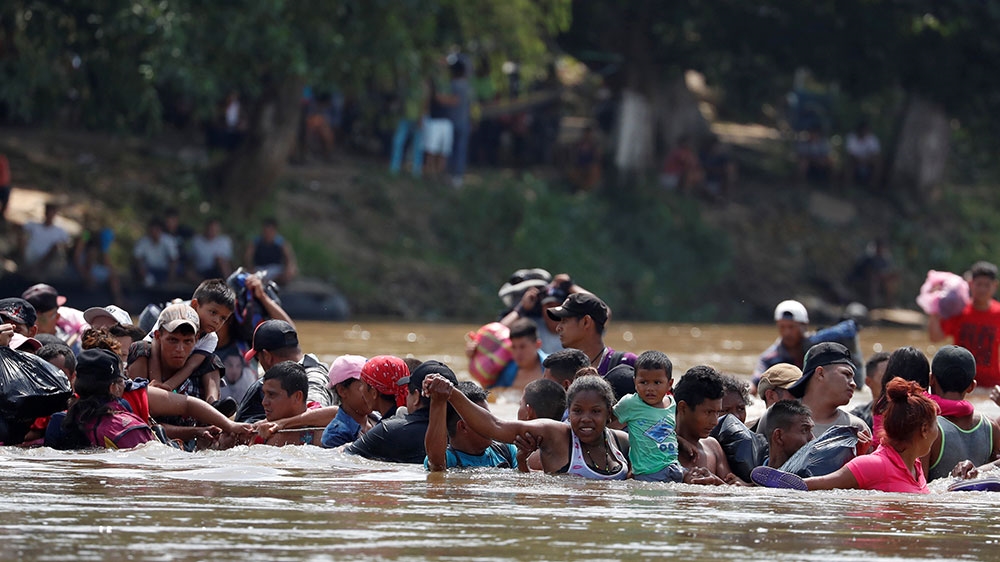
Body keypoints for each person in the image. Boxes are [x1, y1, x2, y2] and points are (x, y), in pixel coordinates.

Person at [424, 373, 630, 479]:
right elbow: (495, 425)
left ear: (609, 413)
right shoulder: (555, 433)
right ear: (568, 412)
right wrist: (451, 393)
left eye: (595, 411)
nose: (585, 418)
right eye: (577, 411)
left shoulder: (622, 443)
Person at [752, 378, 938, 493]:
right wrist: (778, 484)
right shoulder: (875, 464)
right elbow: (810, 486)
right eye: (935, 423)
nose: (938, 430)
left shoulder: (915, 465)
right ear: (923, 430)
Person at [126, 304, 227, 442]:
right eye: (173, 340)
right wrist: (196, 432)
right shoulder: (143, 354)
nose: (180, 349)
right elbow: (138, 422)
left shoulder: (207, 364)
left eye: (187, 341)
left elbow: (212, 431)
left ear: (196, 339)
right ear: (158, 336)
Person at [140, 281, 236, 410]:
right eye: (213, 312)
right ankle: (138, 399)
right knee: (141, 348)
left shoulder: (211, 338)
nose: (216, 321)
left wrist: (168, 386)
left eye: (223, 318)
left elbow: (191, 366)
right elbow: (155, 347)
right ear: (195, 305)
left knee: (213, 361)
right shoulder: (173, 314)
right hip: (154, 364)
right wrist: (157, 383)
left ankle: (212, 404)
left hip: (179, 371)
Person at [344, 360, 459, 464]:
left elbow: (346, 456)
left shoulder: (389, 430)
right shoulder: (462, 431)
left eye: (408, 392)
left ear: (417, 397)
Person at [757, 342, 871, 442]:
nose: (853, 384)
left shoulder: (856, 428)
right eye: (846, 374)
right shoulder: (775, 417)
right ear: (820, 373)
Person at [922, 345, 1000, 481]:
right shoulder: (991, 428)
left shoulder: (929, 431)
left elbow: (918, 488)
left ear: (931, 380)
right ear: (972, 386)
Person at [56, 349, 157, 450]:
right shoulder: (126, 427)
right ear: (113, 387)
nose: (125, 384)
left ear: (75, 383)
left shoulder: (59, 421)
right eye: (122, 380)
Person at [235, 319, 333, 422]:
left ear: (266, 356)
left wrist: (280, 424)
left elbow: (317, 412)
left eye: (258, 358)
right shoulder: (266, 383)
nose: (265, 402)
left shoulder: (314, 379)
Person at [753, 299, 863, 390]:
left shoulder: (819, 345)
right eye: (782, 327)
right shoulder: (770, 357)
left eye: (792, 327)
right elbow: (756, 382)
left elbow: (850, 329)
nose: (787, 332)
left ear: (804, 326)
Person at [612, 350, 683, 482]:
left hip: (674, 467)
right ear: (635, 382)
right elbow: (608, 422)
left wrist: (684, 443)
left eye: (657, 382)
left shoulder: (671, 403)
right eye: (643, 382)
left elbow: (668, 432)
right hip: (648, 472)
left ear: (670, 383)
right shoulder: (630, 403)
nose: (650, 388)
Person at [928, 261, 1000, 389]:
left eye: (987, 285)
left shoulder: (998, 314)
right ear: (970, 284)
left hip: (991, 384)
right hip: (960, 382)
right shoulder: (959, 310)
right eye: (979, 284)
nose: (982, 289)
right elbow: (935, 337)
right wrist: (935, 308)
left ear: (995, 286)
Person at [425, 381, 518, 471]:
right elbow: (436, 466)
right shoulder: (447, 459)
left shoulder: (507, 450)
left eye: (489, 416)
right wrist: (438, 401)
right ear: (463, 426)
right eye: (484, 418)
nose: (491, 422)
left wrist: (522, 460)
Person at [674, 365, 743, 485]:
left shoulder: (712, 447)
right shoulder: (660, 447)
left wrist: (717, 483)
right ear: (683, 408)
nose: (715, 422)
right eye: (708, 412)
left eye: (718, 412)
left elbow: (731, 492)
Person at [546, 292, 636, 376]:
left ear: (586, 322)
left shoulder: (627, 363)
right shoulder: (561, 370)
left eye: (565, 321)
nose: (558, 328)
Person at [253, 361, 327, 446]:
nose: (264, 402)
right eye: (264, 394)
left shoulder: (319, 417)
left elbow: (337, 413)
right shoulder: (262, 434)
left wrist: (282, 423)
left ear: (297, 397)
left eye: (272, 395)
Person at [321, 355, 379, 448]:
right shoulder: (335, 435)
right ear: (342, 391)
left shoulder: (378, 419)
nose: (372, 392)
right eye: (363, 386)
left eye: (372, 385)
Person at [22, 283, 88, 353]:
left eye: (42, 319)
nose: (35, 324)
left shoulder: (74, 345)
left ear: (57, 317)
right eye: (31, 318)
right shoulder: (17, 343)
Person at [491, 318, 546, 390]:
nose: (518, 353)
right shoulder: (507, 370)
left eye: (522, 347)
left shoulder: (552, 367)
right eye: (513, 347)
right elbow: (490, 392)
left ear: (537, 345)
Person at [19, 202, 70, 277]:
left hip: (47, 260)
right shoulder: (34, 225)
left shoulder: (60, 231)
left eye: (52, 213)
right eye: (48, 212)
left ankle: (36, 269)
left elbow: (66, 244)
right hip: (30, 255)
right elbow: (20, 231)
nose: (50, 215)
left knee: (55, 248)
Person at [762, 400, 815, 470]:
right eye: (804, 430)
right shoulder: (750, 476)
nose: (813, 438)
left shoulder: (817, 473)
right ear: (779, 437)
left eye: (811, 430)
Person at [245, 218, 298, 285]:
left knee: (291, 271)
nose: (268, 234)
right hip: (260, 269)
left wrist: (289, 268)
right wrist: (250, 268)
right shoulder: (256, 242)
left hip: (276, 269)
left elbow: (289, 257)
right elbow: (248, 257)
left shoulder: (280, 242)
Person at [132, 219, 179, 286]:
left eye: (156, 230)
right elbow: (137, 259)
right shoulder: (143, 241)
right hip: (149, 270)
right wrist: (144, 274)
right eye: (152, 231)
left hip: (164, 271)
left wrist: (171, 278)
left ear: (160, 230)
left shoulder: (168, 241)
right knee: (135, 268)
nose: (154, 233)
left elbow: (174, 259)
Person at [849, 351, 890, 429]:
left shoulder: (909, 416)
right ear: (868, 382)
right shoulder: (857, 418)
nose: (892, 382)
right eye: (886, 378)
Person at [844, 122, 882, 188]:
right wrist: (860, 160)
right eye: (864, 130)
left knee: (879, 162)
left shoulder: (872, 138)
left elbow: (876, 153)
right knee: (850, 161)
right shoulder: (852, 137)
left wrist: (867, 160)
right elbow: (850, 153)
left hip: (868, 161)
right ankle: (848, 185)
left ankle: (873, 186)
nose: (865, 132)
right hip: (855, 160)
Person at [568, 126, 601, 192]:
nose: (587, 136)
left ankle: (587, 189)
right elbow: (573, 156)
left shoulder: (595, 146)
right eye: (586, 133)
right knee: (572, 172)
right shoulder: (578, 144)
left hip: (589, 167)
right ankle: (577, 188)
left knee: (594, 171)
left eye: (589, 134)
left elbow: (597, 159)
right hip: (579, 166)